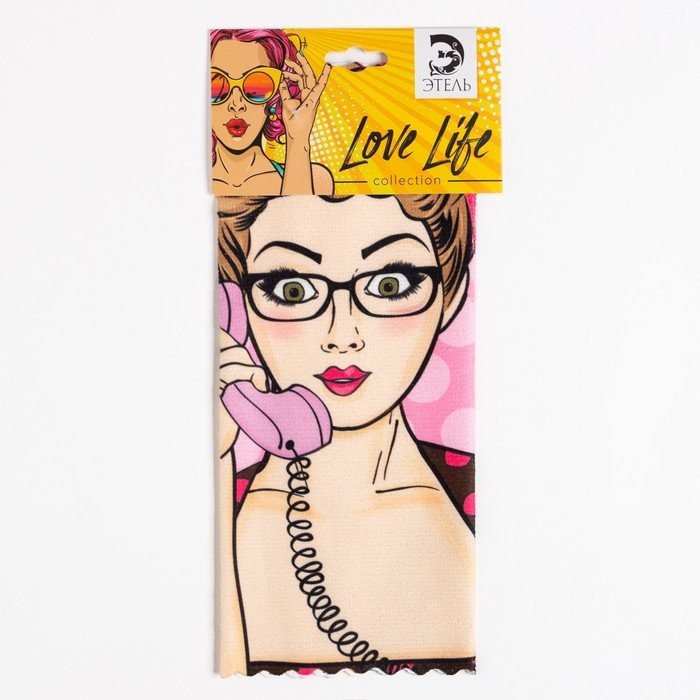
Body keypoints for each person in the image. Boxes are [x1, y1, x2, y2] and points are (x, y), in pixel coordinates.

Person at [217, 194, 475, 675]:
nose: (342, 336)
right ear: (237, 306)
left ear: (452, 292)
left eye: (390, 284)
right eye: (292, 289)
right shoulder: (224, 503)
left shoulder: (479, 495)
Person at [210, 29, 334, 195]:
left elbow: (299, 212)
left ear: (277, 94)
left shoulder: (317, 180)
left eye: (256, 86)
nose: (236, 104)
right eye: (217, 86)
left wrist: (297, 141)